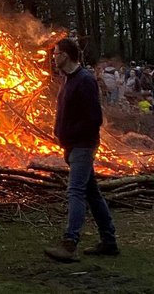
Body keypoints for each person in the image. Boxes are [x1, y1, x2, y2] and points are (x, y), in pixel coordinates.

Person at [43, 36, 118, 262]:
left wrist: (72, 136)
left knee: (75, 191)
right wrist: (60, 134)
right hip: (73, 145)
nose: (53, 58)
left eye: (56, 53)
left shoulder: (84, 80)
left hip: (83, 145)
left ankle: (70, 243)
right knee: (92, 194)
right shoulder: (69, 79)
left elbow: (94, 118)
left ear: (65, 55)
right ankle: (109, 241)